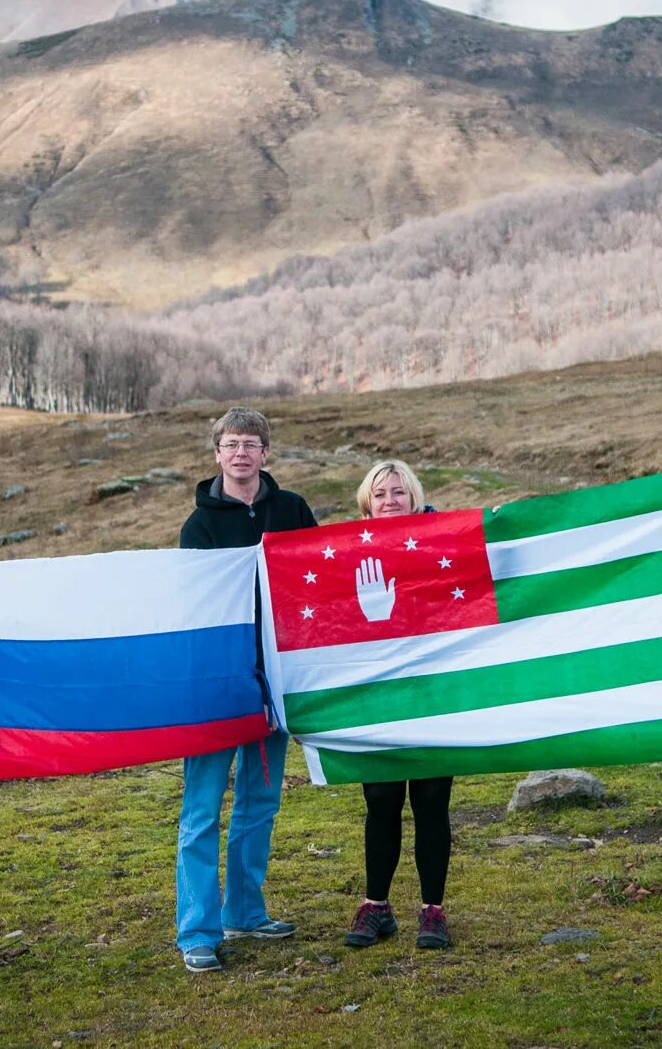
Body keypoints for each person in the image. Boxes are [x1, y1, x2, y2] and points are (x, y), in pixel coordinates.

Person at [175, 406, 317, 973]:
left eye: (250, 444)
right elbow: (191, 611)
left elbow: (316, 587)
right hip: (214, 688)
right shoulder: (199, 527)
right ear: (217, 453)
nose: (240, 453)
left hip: (274, 685)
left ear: (265, 452)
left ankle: (245, 911)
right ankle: (198, 931)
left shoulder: (292, 510)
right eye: (231, 443)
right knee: (203, 810)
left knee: (259, 803)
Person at [341, 459, 455, 951]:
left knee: (431, 800)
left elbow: (457, 610)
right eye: (381, 493)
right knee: (382, 800)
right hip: (377, 697)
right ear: (368, 503)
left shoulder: (442, 546)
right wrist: (376, 619)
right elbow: (335, 626)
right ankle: (376, 907)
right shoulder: (344, 555)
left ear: (414, 497)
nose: (391, 501)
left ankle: (433, 911)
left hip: (432, 694)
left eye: (400, 493)